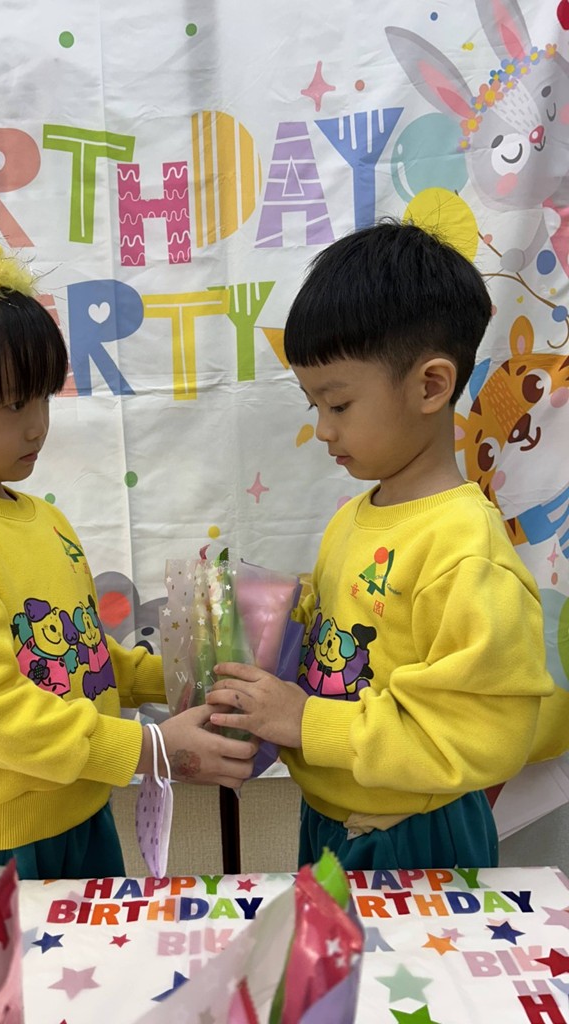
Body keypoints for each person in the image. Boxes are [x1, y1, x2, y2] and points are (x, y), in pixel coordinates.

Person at [0, 176, 256, 880]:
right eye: (14, 403)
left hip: (80, 818)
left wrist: (188, 679)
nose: (37, 424)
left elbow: (84, 657)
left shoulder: (43, 518)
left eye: (42, 397)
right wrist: (154, 749)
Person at [207, 220, 563, 870]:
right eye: (314, 406)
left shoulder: (464, 548)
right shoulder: (353, 517)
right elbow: (339, 652)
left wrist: (305, 722)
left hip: (414, 833)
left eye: (339, 405)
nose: (323, 430)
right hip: (333, 815)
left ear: (430, 386)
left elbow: (484, 732)